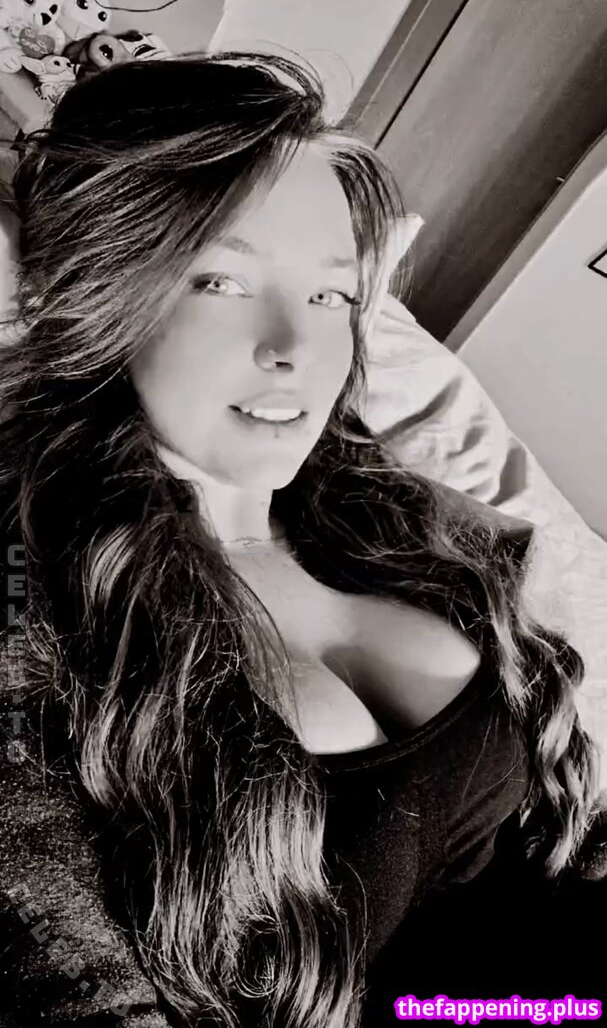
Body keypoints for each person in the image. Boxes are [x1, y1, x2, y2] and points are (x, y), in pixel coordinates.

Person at [0, 51, 602, 1028]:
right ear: (98, 289)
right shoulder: (40, 617)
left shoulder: (393, 509)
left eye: (331, 296)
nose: (296, 348)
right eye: (223, 282)